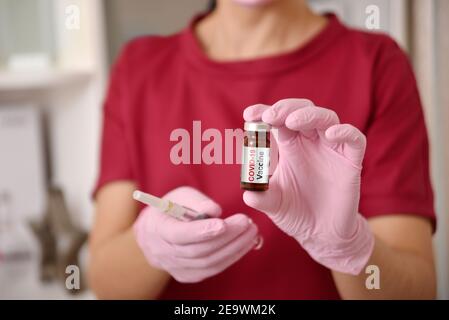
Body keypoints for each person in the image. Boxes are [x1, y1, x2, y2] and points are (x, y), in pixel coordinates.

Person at [88, 0, 436, 299]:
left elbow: (418, 289)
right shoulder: (140, 69)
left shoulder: (375, 63)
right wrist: (149, 246)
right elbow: (105, 281)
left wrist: (349, 249)